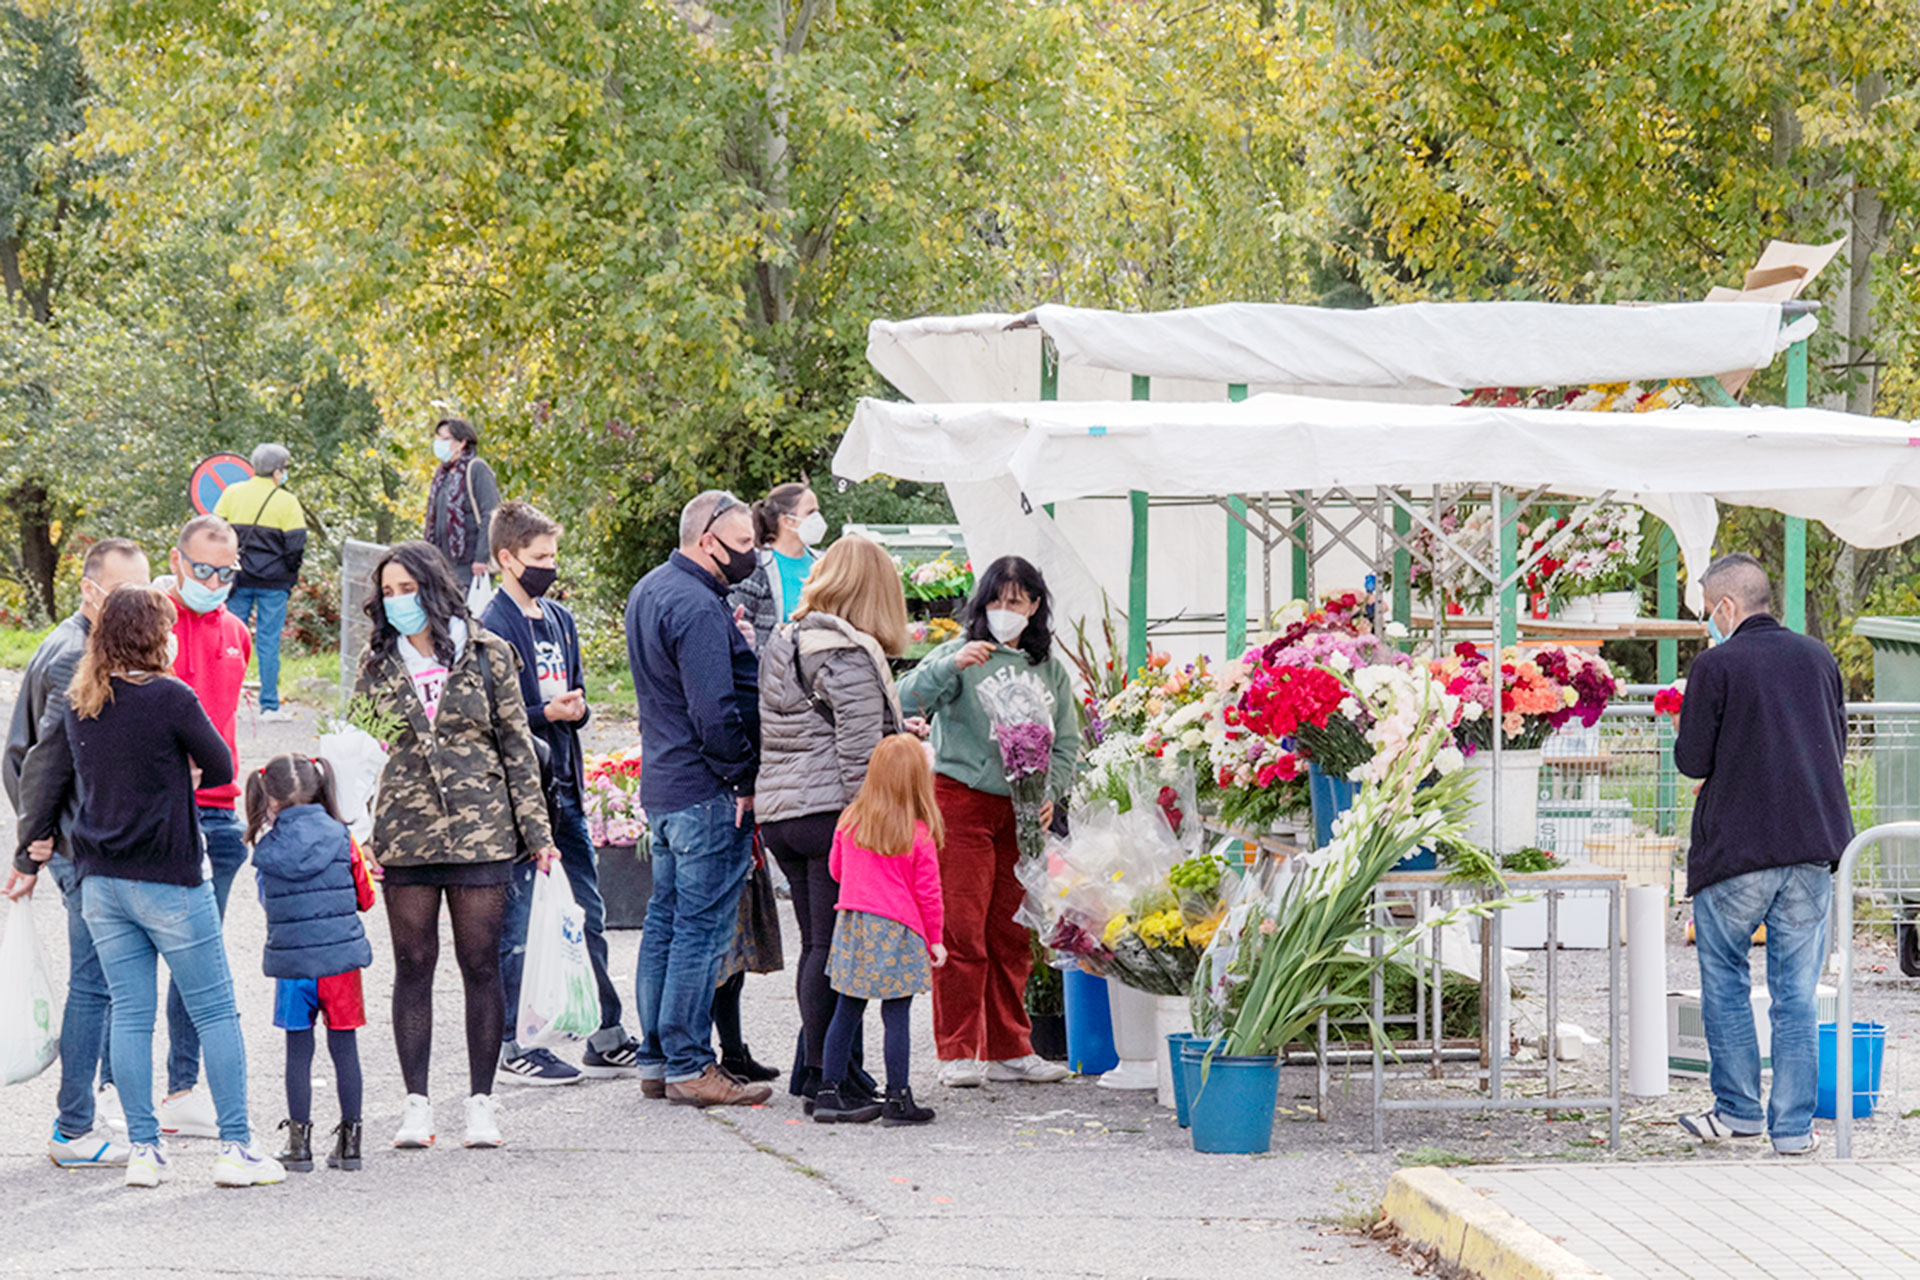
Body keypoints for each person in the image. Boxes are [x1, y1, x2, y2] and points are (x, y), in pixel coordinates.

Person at [16, 586, 283, 1188]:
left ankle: (144, 1149)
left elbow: (50, 777)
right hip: (169, 876)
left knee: (131, 1015)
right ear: (153, 637)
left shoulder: (84, 698)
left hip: (101, 881)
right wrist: (179, 765)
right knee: (215, 1009)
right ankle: (236, 1148)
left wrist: (28, 848)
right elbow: (221, 767)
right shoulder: (171, 696)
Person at [353, 541, 558, 1149]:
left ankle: (480, 1102)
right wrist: (358, 831)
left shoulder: (488, 653)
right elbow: (361, 752)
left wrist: (539, 835)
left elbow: (517, 748)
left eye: (407, 589)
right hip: (406, 834)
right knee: (413, 965)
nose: (398, 602)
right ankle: (416, 1104)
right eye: (388, 593)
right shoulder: (377, 663)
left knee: (480, 964)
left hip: (481, 832)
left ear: (434, 588)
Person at [1673, 553, 1852, 1156]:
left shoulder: (1715, 665)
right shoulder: (1819, 657)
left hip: (1737, 851)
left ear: (1727, 606)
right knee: (1797, 993)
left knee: (1725, 981)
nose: (1708, 622)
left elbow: (1693, 760)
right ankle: (1794, 1130)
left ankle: (1738, 1112)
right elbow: (1835, 743)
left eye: (1708, 610)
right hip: (1812, 845)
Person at [897, 555, 1079, 1089]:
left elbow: (1067, 742)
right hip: (961, 802)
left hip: (1021, 811)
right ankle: (956, 1049)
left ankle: (1009, 1048)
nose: (1004, 610)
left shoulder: (1049, 669)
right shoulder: (961, 653)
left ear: (1035, 606)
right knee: (961, 928)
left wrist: (1049, 793)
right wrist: (950, 665)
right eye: (996, 600)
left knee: (1011, 931)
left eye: (1016, 601)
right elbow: (905, 697)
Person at [482, 500, 640, 1085]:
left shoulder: (559, 619)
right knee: (521, 921)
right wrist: (541, 713)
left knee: (586, 914)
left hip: (566, 783)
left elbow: (577, 693)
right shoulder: (490, 626)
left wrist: (574, 710)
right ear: (507, 559)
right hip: (521, 795)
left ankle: (605, 1032)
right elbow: (489, 717)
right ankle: (513, 1042)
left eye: (554, 555)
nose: (550, 566)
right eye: (540, 557)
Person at [4, 537, 149, 1168]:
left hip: (71, 839)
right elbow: (42, 761)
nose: (137, 605)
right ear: (91, 590)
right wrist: (33, 846)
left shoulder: (75, 642)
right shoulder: (74, 656)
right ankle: (73, 1126)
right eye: (123, 592)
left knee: (105, 983)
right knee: (96, 985)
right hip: (81, 845)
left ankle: (95, 1106)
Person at [623, 489, 769, 1107]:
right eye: (743, 545)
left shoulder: (650, 590)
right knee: (698, 932)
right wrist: (743, 778)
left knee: (665, 922)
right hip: (707, 790)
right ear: (707, 541)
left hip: (665, 784)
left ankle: (658, 1059)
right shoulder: (698, 606)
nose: (752, 557)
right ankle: (688, 1063)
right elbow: (715, 710)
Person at [758, 534, 914, 1107]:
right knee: (833, 951)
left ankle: (817, 1069)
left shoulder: (787, 638)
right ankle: (831, 1082)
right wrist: (873, 827)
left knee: (815, 946)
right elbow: (858, 754)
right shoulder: (846, 654)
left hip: (783, 812)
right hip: (830, 814)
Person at [153, 514, 254, 1139]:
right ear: (177, 561)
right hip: (160, 812)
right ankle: (112, 1089)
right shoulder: (151, 622)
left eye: (226, 572)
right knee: (133, 960)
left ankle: (182, 1089)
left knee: (199, 962)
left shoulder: (237, 630)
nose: (215, 583)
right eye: (203, 570)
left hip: (219, 813)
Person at [245, 754, 374, 1174]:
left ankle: (299, 1145)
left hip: (293, 965)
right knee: (345, 1049)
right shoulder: (342, 837)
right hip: (341, 965)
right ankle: (351, 1143)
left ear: (270, 799)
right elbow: (366, 897)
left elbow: (268, 902)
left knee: (298, 1053)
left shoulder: (266, 850)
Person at [812, 735, 947, 1127]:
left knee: (847, 1008)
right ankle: (898, 1098)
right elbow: (928, 894)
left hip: (854, 924)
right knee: (896, 1012)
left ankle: (828, 1091)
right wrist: (935, 939)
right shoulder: (918, 833)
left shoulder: (850, 821)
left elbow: (836, 871)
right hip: (899, 928)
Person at [213, 442, 307, 721]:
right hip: (275, 583)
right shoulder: (287, 502)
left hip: (237, 579)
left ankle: (227, 703)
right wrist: (288, 573)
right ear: (278, 472)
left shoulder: (232, 493)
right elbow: (296, 546)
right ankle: (269, 706)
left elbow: (215, 532)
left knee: (230, 640)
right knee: (269, 642)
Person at [731, 481, 825, 651]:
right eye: (810, 512)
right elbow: (738, 624)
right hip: (769, 665)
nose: (818, 519)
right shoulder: (756, 566)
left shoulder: (823, 563)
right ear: (788, 521)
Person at [423, 416, 500, 591]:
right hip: (442, 564)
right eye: (438, 438)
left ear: (461, 443)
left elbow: (491, 514)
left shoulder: (477, 468)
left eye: (445, 439)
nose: (438, 443)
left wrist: (481, 557)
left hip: (470, 566)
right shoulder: (442, 475)